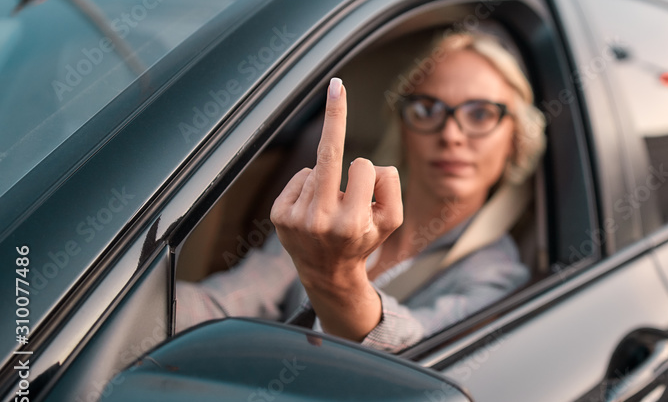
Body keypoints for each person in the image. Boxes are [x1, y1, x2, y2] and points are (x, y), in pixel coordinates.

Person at [175, 32, 546, 352]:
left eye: (480, 115)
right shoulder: (333, 212)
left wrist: (335, 277)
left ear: (514, 139)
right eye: (426, 109)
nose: (451, 134)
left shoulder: (497, 273)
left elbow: (415, 349)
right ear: (403, 127)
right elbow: (232, 298)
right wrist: (136, 311)